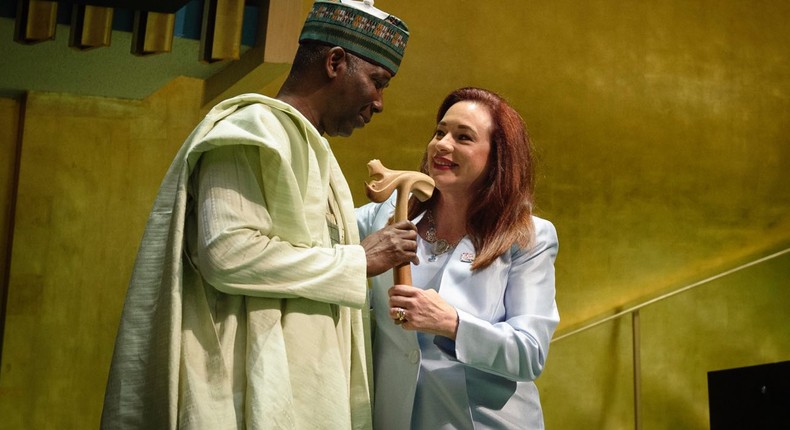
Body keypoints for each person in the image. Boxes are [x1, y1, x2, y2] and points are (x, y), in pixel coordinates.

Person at [101, 1, 414, 428]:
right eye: (378, 82)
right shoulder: (253, 128)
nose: (378, 103)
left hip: (298, 392)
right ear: (335, 62)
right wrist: (358, 260)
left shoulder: (316, 152)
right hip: (242, 393)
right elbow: (227, 253)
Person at [356, 87, 560, 429]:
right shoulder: (384, 215)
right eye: (440, 132)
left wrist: (451, 323)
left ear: (497, 157)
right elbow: (319, 228)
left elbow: (529, 352)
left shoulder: (529, 237)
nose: (442, 144)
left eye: (463, 137)